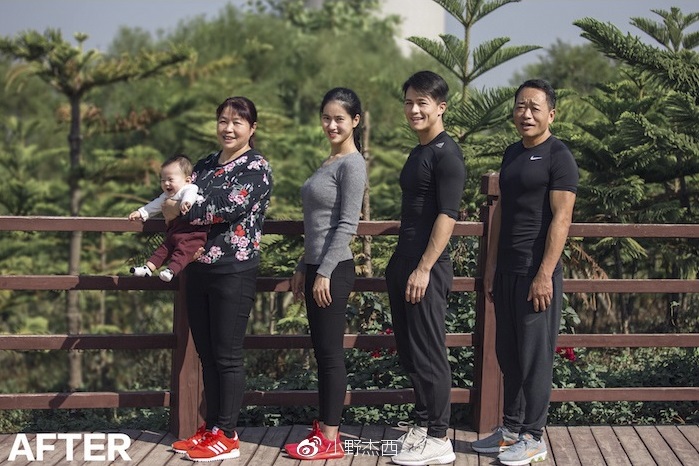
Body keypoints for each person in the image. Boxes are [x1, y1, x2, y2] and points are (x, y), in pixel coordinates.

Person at [471, 79, 578, 466]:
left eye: (534, 107)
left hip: (537, 273)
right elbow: (500, 214)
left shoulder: (558, 156)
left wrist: (544, 273)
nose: (526, 114)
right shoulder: (512, 153)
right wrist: (491, 265)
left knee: (534, 359)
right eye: (520, 106)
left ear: (551, 113)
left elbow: (562, 218)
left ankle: (534, 436)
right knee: (508, 355)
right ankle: (511, 430)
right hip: (507, 271)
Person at [166, 96, 273, 462]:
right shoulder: (207, 164)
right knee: (207, 353)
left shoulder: (256, 167)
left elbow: (226, 207)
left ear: (252, 128)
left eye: (237, 122)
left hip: (235, 269)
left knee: (227, 355)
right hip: (198, 268)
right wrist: (178, 206)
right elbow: (177, 199)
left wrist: (183, 207)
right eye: (223, 121)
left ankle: (227, 434)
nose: (228, 128)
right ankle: (211, 428)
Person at [387, 70, 466, 466]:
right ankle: (422, 424)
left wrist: (423, 268)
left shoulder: (446, 154)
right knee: (410, 351)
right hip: (404, 261)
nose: (414, 109)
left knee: (429, 351)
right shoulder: (419, 150)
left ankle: (439, 437)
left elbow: (447, 217)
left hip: (426, 267)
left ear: (440, 107)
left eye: (422, 102)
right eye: (409, 102)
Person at [283, 87, 366, 461]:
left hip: (335, 269)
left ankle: (330, 439)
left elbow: (348, 224)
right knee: (322, 353)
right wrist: (305, 264)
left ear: (355, 121)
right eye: (327, 118)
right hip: (318, 266)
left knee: (331, 355)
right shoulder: (330, 160)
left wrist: (325, 272)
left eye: (339, 119)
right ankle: (324, 428)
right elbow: (317, 225)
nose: (332, 124)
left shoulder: (352, 163)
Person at [128, 154, 209, 282]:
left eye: (170, 179)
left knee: (183, 251)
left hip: (192, 233)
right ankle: (148, 268)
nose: (166, 183)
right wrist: (141, 212)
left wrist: (185, 203)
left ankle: (171, 270)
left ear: (187, 180)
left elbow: (191, 194)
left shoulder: (188, 188)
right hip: (175, 231)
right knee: (163, 249)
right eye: (163, 180)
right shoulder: (166, 195)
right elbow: (154, 205)